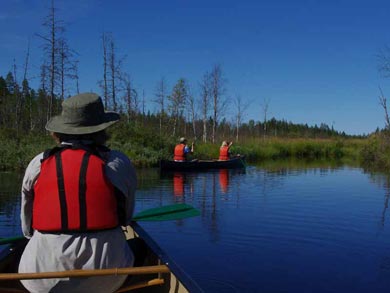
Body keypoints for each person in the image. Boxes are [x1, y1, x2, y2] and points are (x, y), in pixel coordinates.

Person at [19, 93, 137, 293]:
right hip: (106, 277)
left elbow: (27, 227)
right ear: (102, 129)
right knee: (137, 246)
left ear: (59, 131)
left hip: (40, 277)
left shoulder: (38, 163)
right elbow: (126, 217)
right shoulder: (118, 162)